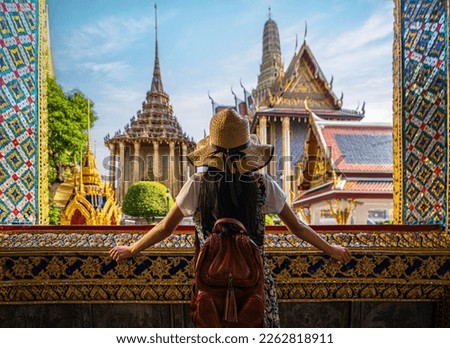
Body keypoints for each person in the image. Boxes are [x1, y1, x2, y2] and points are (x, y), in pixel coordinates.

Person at [110, 108, 352, 328]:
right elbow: (297, 227)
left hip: (210, 279)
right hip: (254, 280)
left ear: (212, 152)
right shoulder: (262, 184)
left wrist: (132, 250)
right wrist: (331, 249)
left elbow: (165, 228)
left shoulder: (198, 184)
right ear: (247, 151)